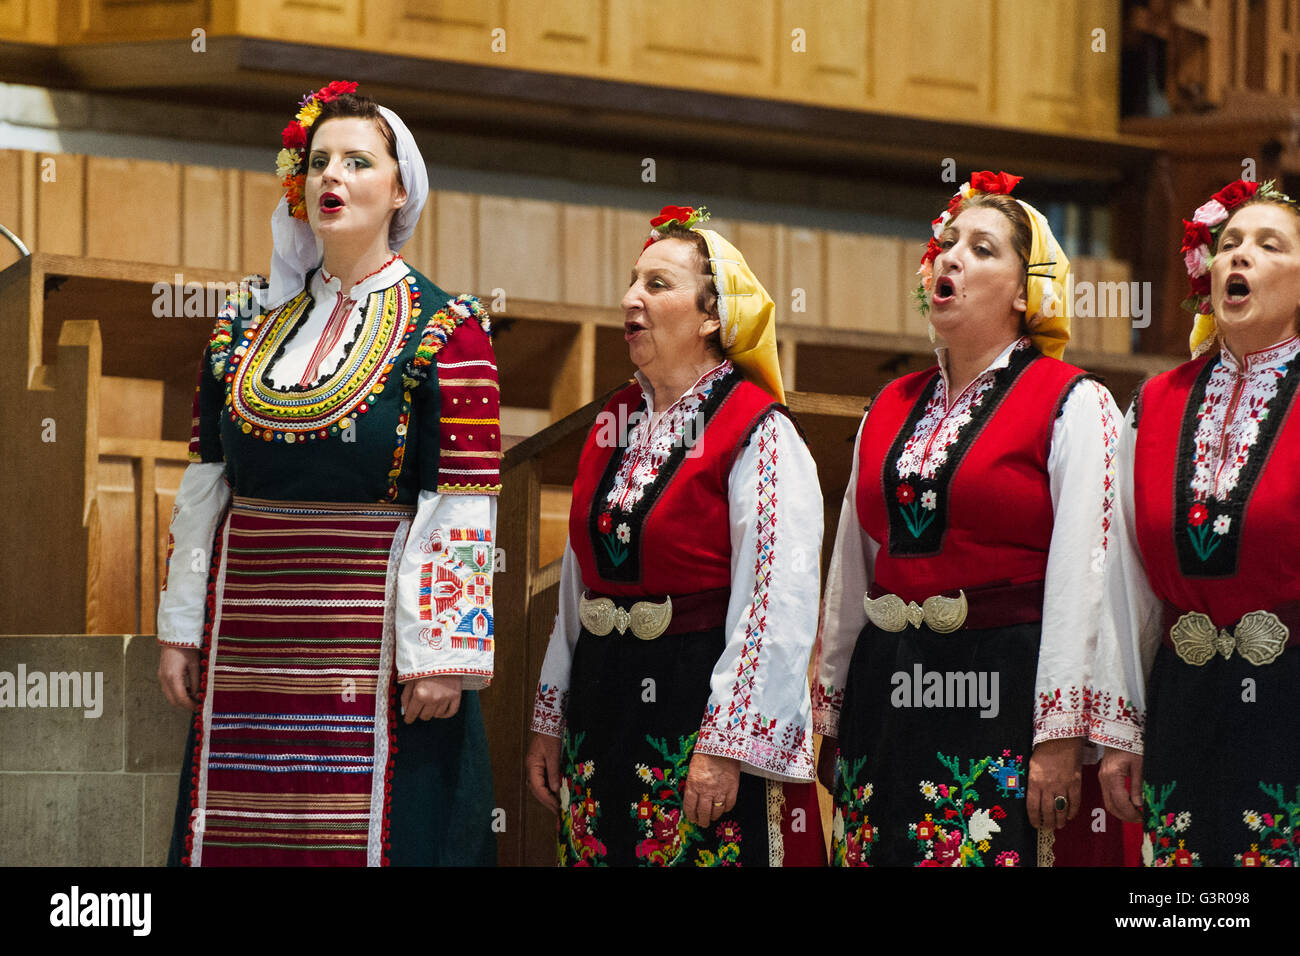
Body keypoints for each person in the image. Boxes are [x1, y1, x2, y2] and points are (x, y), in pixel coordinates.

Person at [155, 81, 500, 866]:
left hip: (379, 658)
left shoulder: (447, 329)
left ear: (400, 188)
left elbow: (461, 501)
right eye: (317, 163)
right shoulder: (241, 330)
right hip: (249, 649)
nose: (330, 178)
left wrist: (443, 654)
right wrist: (181, 630)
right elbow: (206, 483)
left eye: (356, 161)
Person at [812, 172, 1125, 866]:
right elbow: (851, 573)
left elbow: (1086, 577)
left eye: (982, 248)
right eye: (946, 243)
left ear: (1025, 290)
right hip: (887, 687)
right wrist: (832, 713)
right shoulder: (889, 405)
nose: (950, 256)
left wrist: (1059, 734)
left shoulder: (1073, 403)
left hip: (1001, 691)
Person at [523, 205, 826, 866]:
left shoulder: (759, 430)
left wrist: (728, 746)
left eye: (657, 284)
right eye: (633, 280)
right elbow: (578, 587)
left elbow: (776, 604)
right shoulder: (615, 420)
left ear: (714, 316)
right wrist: (551, 720)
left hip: (696, 710)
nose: (631, 298)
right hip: (602, 709)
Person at [1096, 179, 1300, 867]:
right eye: (1228, 244)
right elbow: (1123, 581)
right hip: (1183, 701)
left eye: (1268, 246)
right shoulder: (1154, 402)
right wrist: (1121, 729)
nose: (1237, 257)